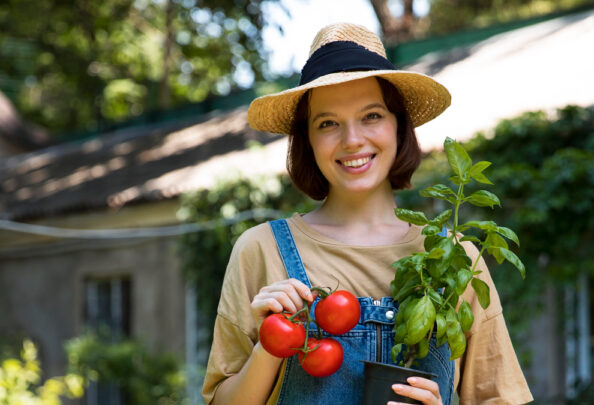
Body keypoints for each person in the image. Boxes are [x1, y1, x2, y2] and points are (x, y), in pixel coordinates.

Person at [202, 23, 533, 405]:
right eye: (327, 123)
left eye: (372, 116)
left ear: (398, 127)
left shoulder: (454, 260)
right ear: (307, 141)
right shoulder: (261, 250)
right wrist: (269, 345)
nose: (352, 139)